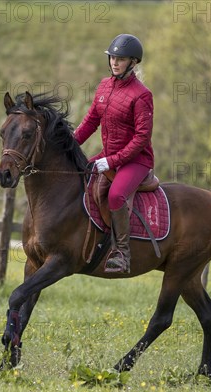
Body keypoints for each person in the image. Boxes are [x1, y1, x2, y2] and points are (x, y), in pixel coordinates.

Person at [74, 33, 155, 274]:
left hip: (136, 160)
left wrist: (111, 161)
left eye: (120, 59)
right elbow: (90, 121)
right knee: (80, 174)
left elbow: (142, 138)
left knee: (116, 195)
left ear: (133, 62)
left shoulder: (142, 95)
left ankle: (122, 252)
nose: (114, 62)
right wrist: (69, 144)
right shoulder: (104, 85)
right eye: (112, 58)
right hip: (108, 155)